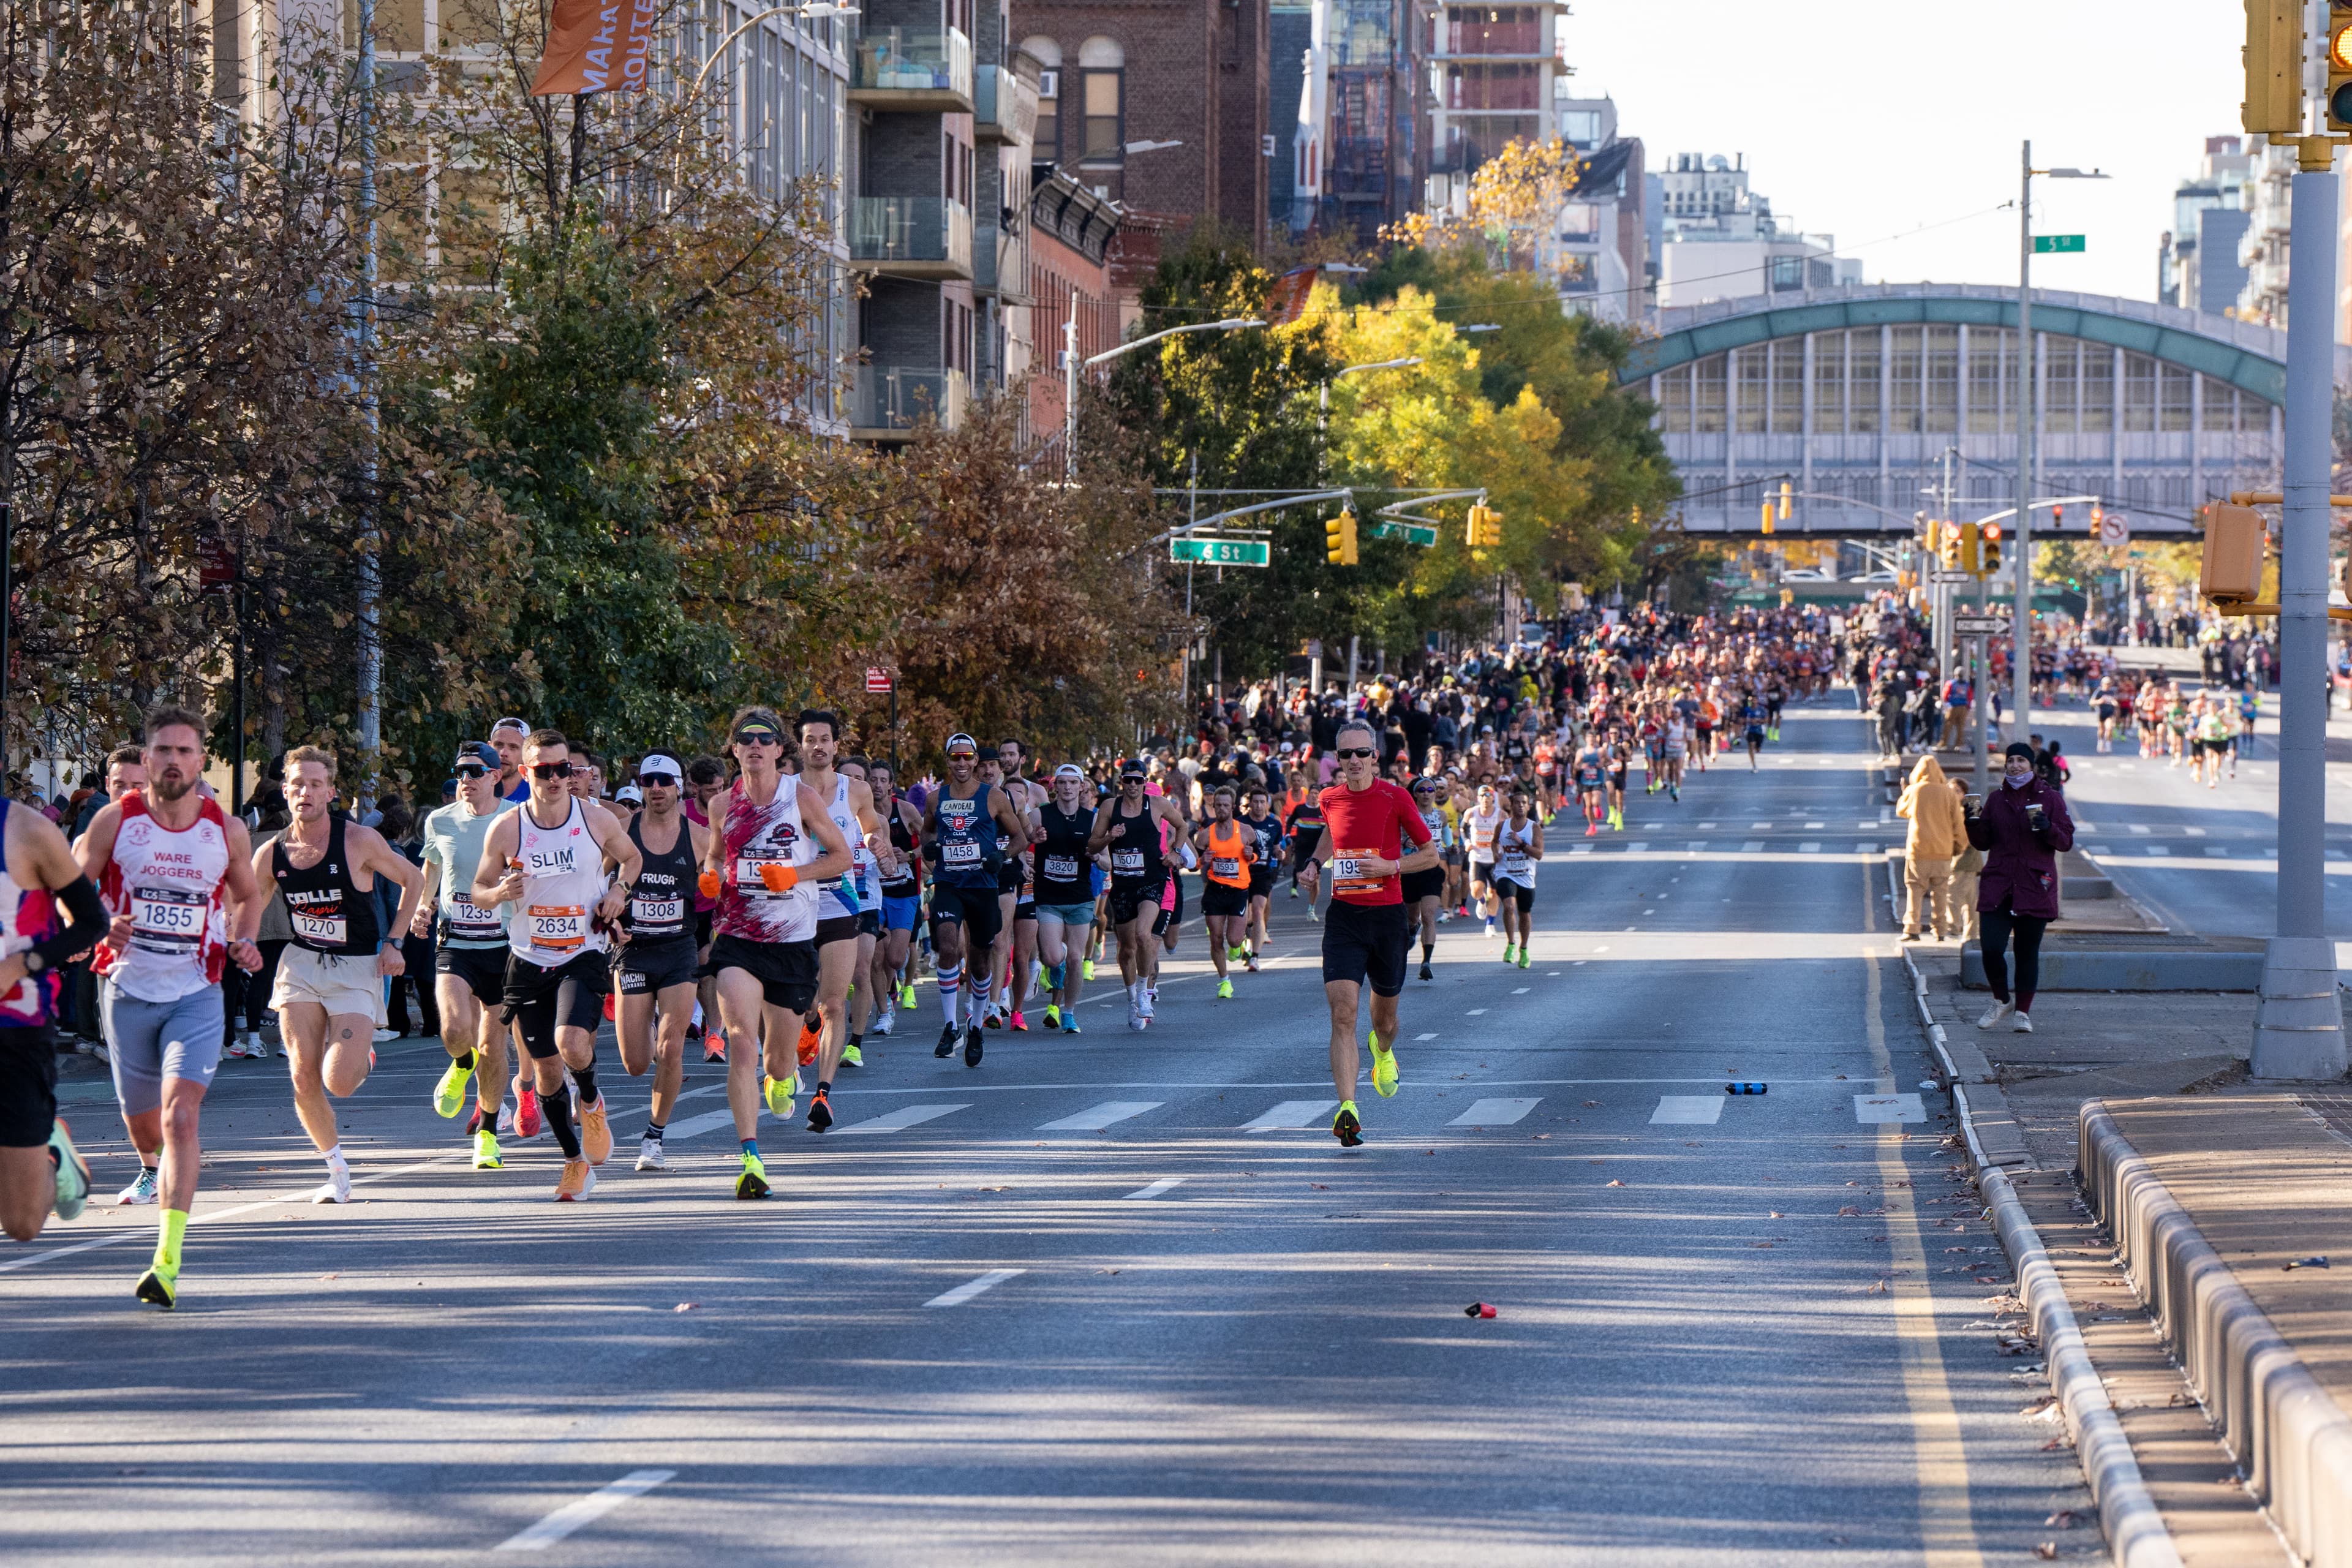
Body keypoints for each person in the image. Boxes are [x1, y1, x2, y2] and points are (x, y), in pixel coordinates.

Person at [75, 706, 267, 1306]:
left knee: (182, 1116)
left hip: (196, 990)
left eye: (186, 752)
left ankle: (167, 1258)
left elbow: (247, 895)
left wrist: (243, 939)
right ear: (148, 757)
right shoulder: (116, 821)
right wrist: (100, 927)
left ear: (201, 759)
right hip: (128, 991)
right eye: (164, 750)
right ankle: (149, 1166)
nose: (174, 761)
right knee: (145, 1127)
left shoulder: (225, 829)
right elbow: (73, 892)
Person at [470, 729, 639, 1201]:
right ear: (524, 774)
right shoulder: (507, 827)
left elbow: (631, 858)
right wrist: (499, 894)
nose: (555, 778)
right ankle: (574, 1164)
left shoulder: (594, 818)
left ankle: (591, 1100)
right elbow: (479, 890)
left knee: (571, 1043)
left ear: (574, 772)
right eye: (543, 771)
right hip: (528, 958)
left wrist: (617, 892)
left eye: (564, 769)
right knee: (545, 1070)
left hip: (581, 951)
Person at [259, 745, 426, 1205]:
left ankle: (360, 1054)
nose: (305, 792)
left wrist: (394, 941)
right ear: (286, 790)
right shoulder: (272, 852)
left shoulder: (358, 841)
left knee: (339, 1081)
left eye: (315, 784)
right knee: (302, 1076)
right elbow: (245, 907)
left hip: (356, 967)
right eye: (297, 784)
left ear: (331, 792)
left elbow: (415, 880)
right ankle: (336, 1170)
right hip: (301, 964)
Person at [694, 708, 851, 1197]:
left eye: (766, 739)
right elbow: (717, 854)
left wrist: (796, 875)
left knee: (778, 1065)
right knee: (742, 1039)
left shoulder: (799, 797)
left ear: (780, 750)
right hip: (738, 937)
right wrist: (710, 872)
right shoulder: (723, 805)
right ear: (735, 749)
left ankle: (781, 1081)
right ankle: (750, 1158)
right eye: (747, 739)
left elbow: (842, 856)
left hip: (792, 941)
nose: (756, 746)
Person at [1296, 719, 1436, 1148]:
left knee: (1385, 1021)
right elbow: (1330, 833)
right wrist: (1314, 865)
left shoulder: (1395, 798)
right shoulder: (1329, 798)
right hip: (1345, 918)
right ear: (1336, 760)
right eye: (1345, 755)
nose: (1353, 761)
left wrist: (1391, 867)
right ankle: (1348, 1110)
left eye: (1361, 753)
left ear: (1376, 757)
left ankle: (1383, 1050)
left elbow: (1430, 854)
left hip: (1388, 918)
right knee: (1343, 1014)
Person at [0, 786, 108, 1244]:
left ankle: (54, 1158)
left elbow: (92, 922)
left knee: (22, 1224)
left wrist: (21, 964)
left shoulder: (28, 830)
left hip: (16, 1032)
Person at [413, 743, 519, 1170]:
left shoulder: (515, 821)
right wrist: (424, 905)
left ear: (497, 776)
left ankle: (489, 1133)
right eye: (460, 772)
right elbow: (433, 869)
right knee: (456, 1029)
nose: (466, 779)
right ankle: (461, 1063)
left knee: (495, 1046)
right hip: (455, 941)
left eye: (476, 771)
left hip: (504, 945)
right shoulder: (440, 820)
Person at [613, 753, 708, 1170]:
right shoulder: (622, 829)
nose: (656, 789)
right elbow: (593, 882)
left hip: (679, 950)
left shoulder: (701, 837)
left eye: (664, 781)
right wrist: (608, 921)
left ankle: (654, 1138)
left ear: (679, 787)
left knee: (671, 1049)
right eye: (648, 781)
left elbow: (730, 875)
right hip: (633, 951)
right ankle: (648, 1028)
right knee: (636, 1064)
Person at [794, 710, 882, 1133]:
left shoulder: (857, 789)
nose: (818, 746)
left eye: (825, 739)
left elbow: (869, 829)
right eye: (810, 739)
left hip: (841, 903)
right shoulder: (783, 792)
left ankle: (823, 1094)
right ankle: (807, 1024)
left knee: (833, 1002)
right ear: (800, 746)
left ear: (835, 745)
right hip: (792, 905)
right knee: (800, 1000)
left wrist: (875, 843)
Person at [924, 733, 1030, 1061]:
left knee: (981, 961)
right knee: (946, 944)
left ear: (974, 761)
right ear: (947, 761)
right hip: (949, 884)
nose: (961, 763)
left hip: (983, 886)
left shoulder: (994, 797)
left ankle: (977, 1029)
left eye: (967, 757)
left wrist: (1003, 858)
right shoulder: (934, 798)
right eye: (955, 758)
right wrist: (930, 855)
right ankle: (950, 1026)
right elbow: (928, 833)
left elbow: (1020, 837)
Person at [1964, 742, 2074, 1035]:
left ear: (2031, 765)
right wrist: (1972, 821)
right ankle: (2002, 1000)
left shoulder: (2049, 798)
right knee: (1990, 948)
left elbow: (2065, 841)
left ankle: (2023, 1013)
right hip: (1999, 884)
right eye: (2010, 761)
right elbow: (1983, 842)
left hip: (2034, 886)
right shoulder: (1997, 799)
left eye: (2021, 761)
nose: (2014, 766)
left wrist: (2046, 826)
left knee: (2027, 952)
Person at [1089, 758, 1183, 1030]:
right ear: (1122, 782)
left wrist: (1175, 852)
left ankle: (1144, 992)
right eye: (1127, 780)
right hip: (1123, 885)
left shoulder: (1158, 805)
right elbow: (1093, 844)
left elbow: (1183, 826)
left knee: (1144, 935)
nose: (1132, 785)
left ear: (1145, 782)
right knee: (1126, 949)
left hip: (1153, 881)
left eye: (1137, 780)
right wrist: (1110, 837)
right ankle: (1132, 999)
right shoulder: (1110, 807)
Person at [1029, 763, 1099, 1033]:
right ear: (1055, 787)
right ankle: (1061, 956)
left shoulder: (1091, 819)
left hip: (1080, 898)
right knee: (1052, 958)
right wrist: (1033, 839)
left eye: (1073, 783)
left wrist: (1096, 856)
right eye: (1062, 783)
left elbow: (1105, 859)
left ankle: (1068, 1013)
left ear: (1081, 787)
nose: (1067, 788)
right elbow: (1021, 843)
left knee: (1075, 960)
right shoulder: (1039, 815)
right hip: (1049, 897)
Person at [1193, 786, 1255, 1001]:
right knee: (1216, 939)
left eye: (1226, 805)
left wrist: (1251, 856)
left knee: (1234, 940)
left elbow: (1256, 855)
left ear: (1233, 807)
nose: (1221, 809)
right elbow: (1193, 864)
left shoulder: (1246, 831)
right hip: (1215, 891)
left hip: (1238, 890)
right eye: (1218, 805)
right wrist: (1203, 861)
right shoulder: (1204, 836)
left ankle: (1238, 947)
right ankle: (1225, 981)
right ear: (1213, 806)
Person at [1896, 754, 1964, 941]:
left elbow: (1901, 810)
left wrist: (1905, 792)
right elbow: (1958, 823)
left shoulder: (1915, 790)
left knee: (1915, 891)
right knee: (1941, 892)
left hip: (1918, 851)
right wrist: (1960, 845)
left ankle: (1912, 929)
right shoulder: (1948, 793)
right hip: (1943, 851)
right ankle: (1940, 931)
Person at [1402, 775, 1450, 981]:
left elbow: (1447, 838)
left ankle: (1426, 962)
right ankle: (1413, 929)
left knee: (1429, 915)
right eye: (1422, 790)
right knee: (1411, 917)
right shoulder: (1406, 814)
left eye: (1431, 790)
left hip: (1432, 869)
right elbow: (1395, 838)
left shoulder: (1441, 815)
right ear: (1415, 793)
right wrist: (1405, 841)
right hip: (1411, 869)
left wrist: (1453, 846)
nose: (1427, 794)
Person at [1492, 784, 1543, 968]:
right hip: (1505, 873)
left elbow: (1539, 854)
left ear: (1529, 807)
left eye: (1524, 803)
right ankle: (1511, 944)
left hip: (1526, 876)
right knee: (1508, 905)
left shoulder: (1534, 828)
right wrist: (1496, 853)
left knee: (1525, 914)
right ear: (1511, 806)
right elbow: (1495, 842)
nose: (1521, 806)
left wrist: (1521, 844)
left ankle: (1524, 948)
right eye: (1517, 803)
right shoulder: (1502, 826)